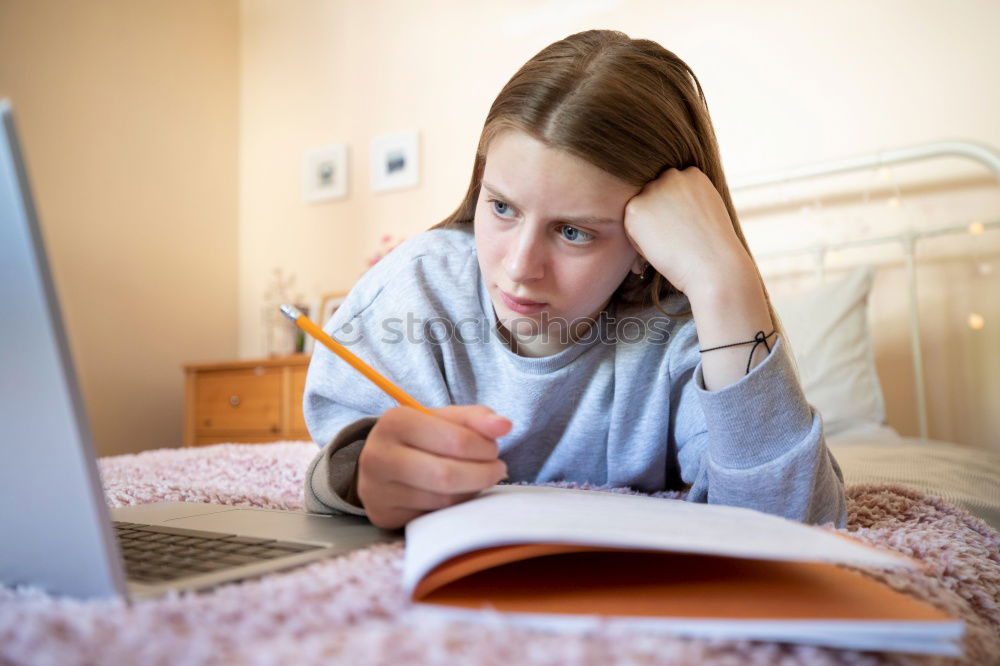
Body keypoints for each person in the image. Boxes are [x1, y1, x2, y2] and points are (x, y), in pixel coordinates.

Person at [302, 29, 847, 530]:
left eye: (572, 232)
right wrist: (361, 474)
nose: (519, 266)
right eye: (502, 207)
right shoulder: (418, 288)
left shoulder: (684, 335)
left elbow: (791, 521)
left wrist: (723, 279)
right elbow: (333, 465)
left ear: (645, 246)